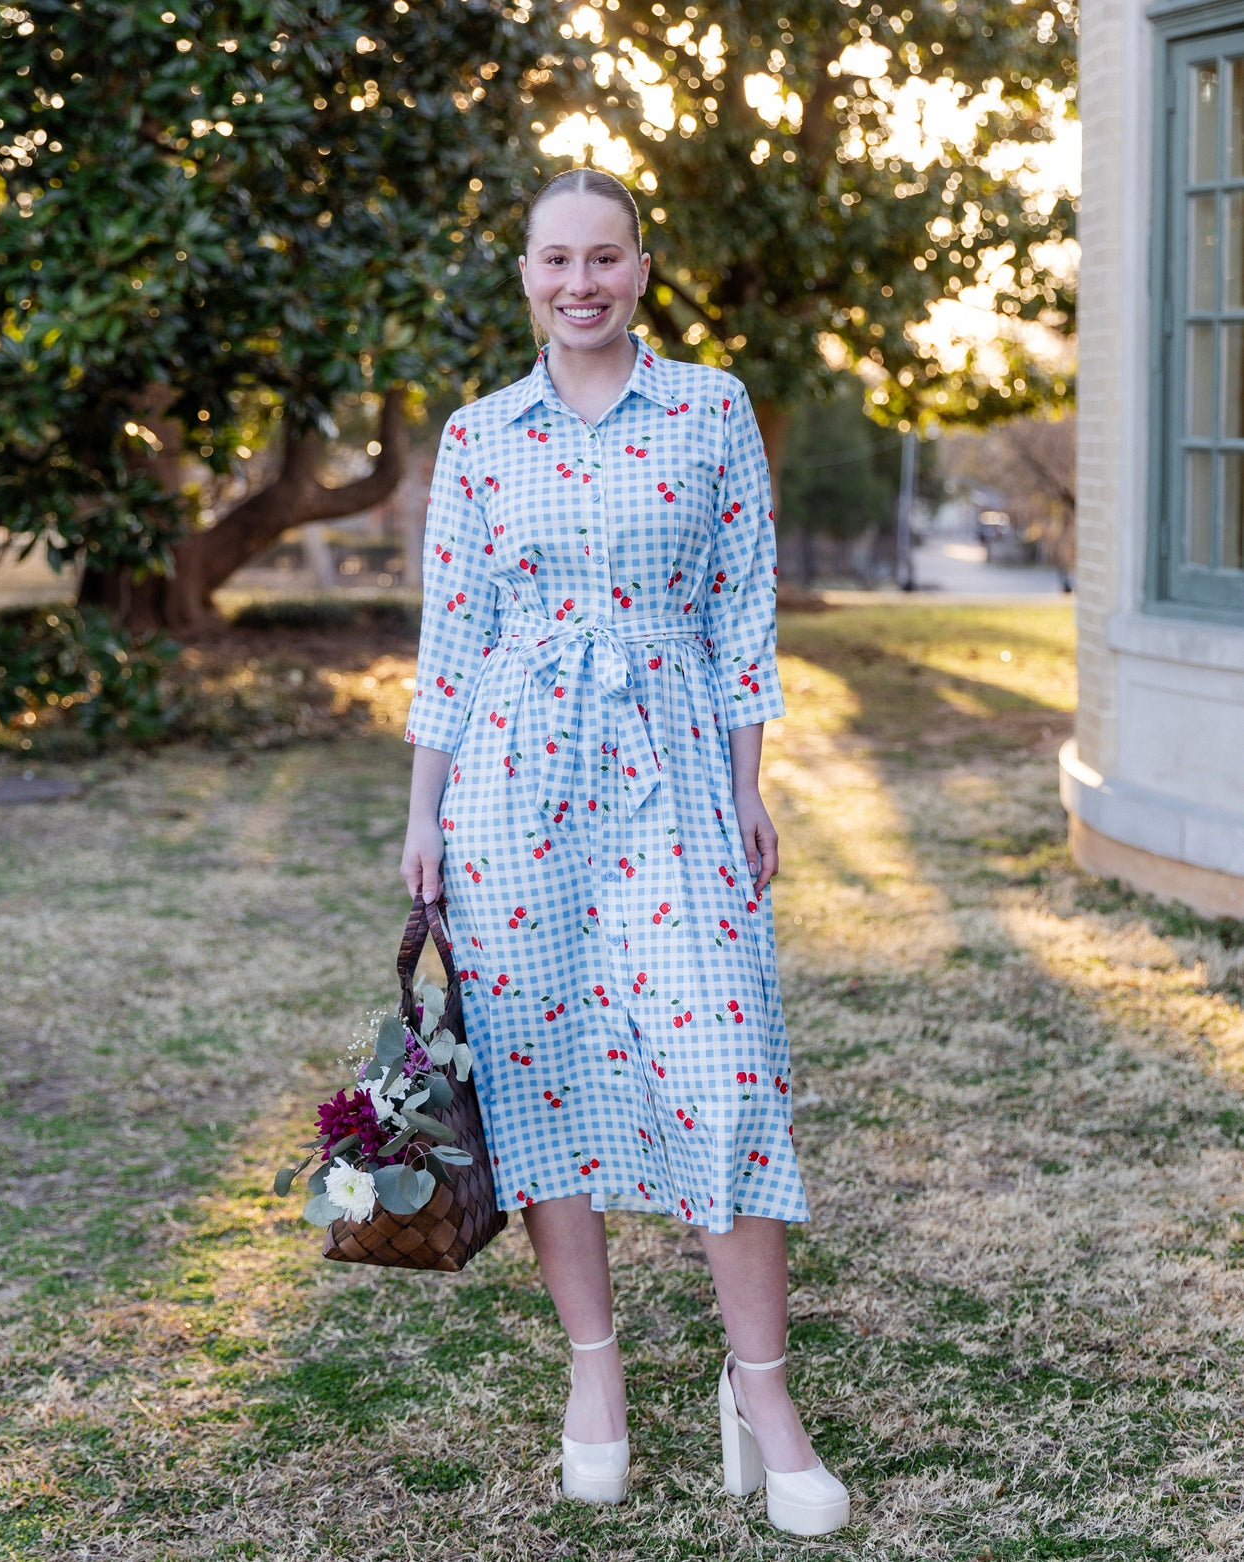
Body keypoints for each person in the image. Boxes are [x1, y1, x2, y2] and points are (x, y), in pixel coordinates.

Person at [400, 168, 849, 1538]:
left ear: (642, 266)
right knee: (539, 1082)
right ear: (524, 274)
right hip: (508, 792)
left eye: (604, 257)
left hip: (673, 777)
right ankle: (594, 1368)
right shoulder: (479, 438)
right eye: (555, 260)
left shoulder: (710, 408)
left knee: (723, 1078)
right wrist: (421, 813)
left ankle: (760, 1389)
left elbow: (741, 614)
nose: (579, 281)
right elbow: (451, 639)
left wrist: (748, 785)